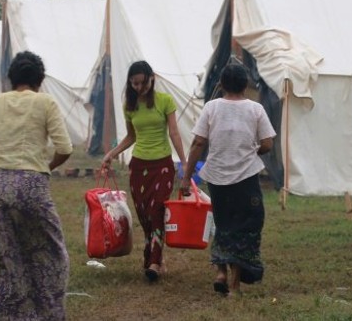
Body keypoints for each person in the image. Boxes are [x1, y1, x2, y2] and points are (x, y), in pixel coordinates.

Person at [0, 51, 73, 321]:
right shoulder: (45, 102)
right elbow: (65, 148)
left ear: (11, 78)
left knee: (11, 261)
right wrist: (45, 167)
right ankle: (48, 315)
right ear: (39, 80)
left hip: (0, 184)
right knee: (51, 256)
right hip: (33, 184)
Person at [181, 63, 276, 297]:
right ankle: (234, 284)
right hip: (245, 177)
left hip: (217, 177)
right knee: (245, 224)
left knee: (223, 223)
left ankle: (220, 272)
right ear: (246, 85)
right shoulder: (255, 109)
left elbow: (198, 143)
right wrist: (252, 149)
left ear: (221, 85)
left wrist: (186, 178)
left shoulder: (211, 107)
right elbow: (267, 144)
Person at [101, 60, 187, 282]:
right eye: (134, 83)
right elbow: (131, 136)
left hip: (162, 165)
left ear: (152, 78)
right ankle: (153, 255)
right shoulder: (129, 106)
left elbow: (175, 134)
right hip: (139, 165)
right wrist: (112, 153)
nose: (139, 87)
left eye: (142, 83)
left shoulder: (165, 101)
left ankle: (155, 262)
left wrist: (184, 162)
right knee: (144, 214)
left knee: (157, 210)